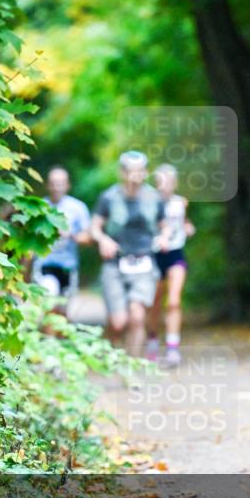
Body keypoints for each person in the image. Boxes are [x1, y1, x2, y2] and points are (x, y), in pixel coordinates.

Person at [91, 151, 171, 357]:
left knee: (137, 316)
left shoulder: (154, 197)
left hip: (144, 263)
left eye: (140, 172)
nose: (136, 176)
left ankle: (131, 366)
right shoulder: (108, 197)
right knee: (119, 322)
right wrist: (103, 239)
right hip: (114, 264)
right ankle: (110, 349)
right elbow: (95, 227)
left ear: (145, 173)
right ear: (122, 173)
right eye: (131, 172)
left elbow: (166, 226)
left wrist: (163, 237)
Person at [146, 164, 195, 366]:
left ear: (174, 183)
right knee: (155, 303)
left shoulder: (180, 203)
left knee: (174, 301)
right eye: (161, 182)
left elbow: (182, 223)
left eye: (168, 181)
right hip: (154, 255)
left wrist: (188, 227)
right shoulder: (148, 203)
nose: (164, 186)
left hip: (175, 254)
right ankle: (152, 340)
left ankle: (173, 347)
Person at [32, 167, 92, 310]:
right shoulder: (39, 207)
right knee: (49, 304)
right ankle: (47, 333)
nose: (56, 187)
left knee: (62, 312)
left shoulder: (78, 208)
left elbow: (88, 238)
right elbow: (29, 240)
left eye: (60, 183)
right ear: (47, 185)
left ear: (67, 185)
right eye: (53, 183)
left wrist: (70, 234)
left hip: (68, 267)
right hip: (44, 265)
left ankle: (53, 332)